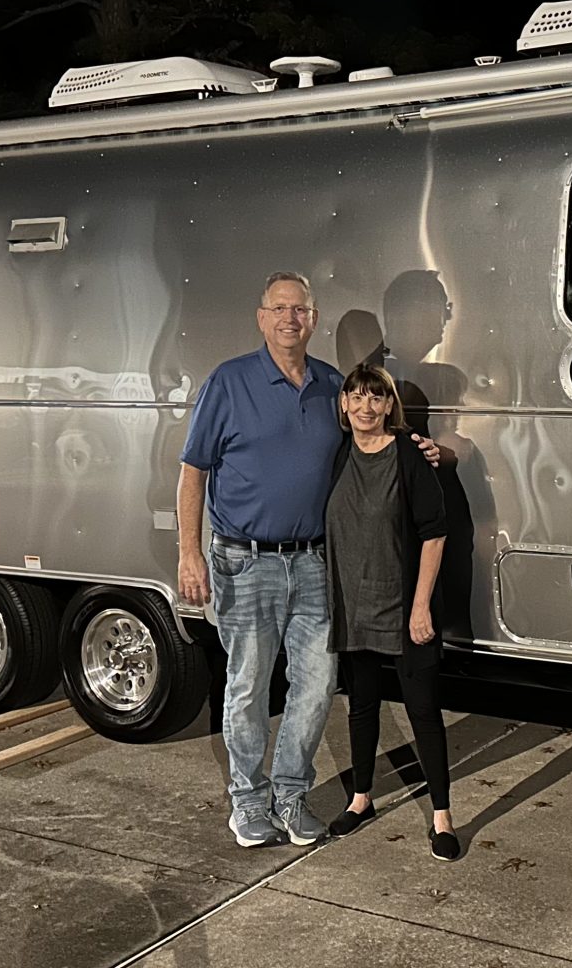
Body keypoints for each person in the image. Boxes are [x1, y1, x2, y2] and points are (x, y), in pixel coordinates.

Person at [177, 272, 439, 849]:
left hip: (317, 563)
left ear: (313, 319)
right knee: (248, 687)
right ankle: (249, 802)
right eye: (279, 308)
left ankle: (291, 796)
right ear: (261, 317)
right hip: (245, 562)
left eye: (299, 309)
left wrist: (422, 448)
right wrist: (189, 553)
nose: (289, 318)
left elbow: (370, 442)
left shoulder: (331, 386)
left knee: (317, 686)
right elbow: (193, 471)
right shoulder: (229, 381)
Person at [322, 362, 459, 861]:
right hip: (353, 604)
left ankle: (442, 817)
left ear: (388, 407)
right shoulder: (337, 453)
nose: (366, 406)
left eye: (376, 398)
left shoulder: (408, 455)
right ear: (344, 404)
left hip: (403, 606)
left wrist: (421, 607)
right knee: (361, 705)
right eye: (356, 396)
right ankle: (361, 798)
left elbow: (434, 533)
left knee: (422, 710)